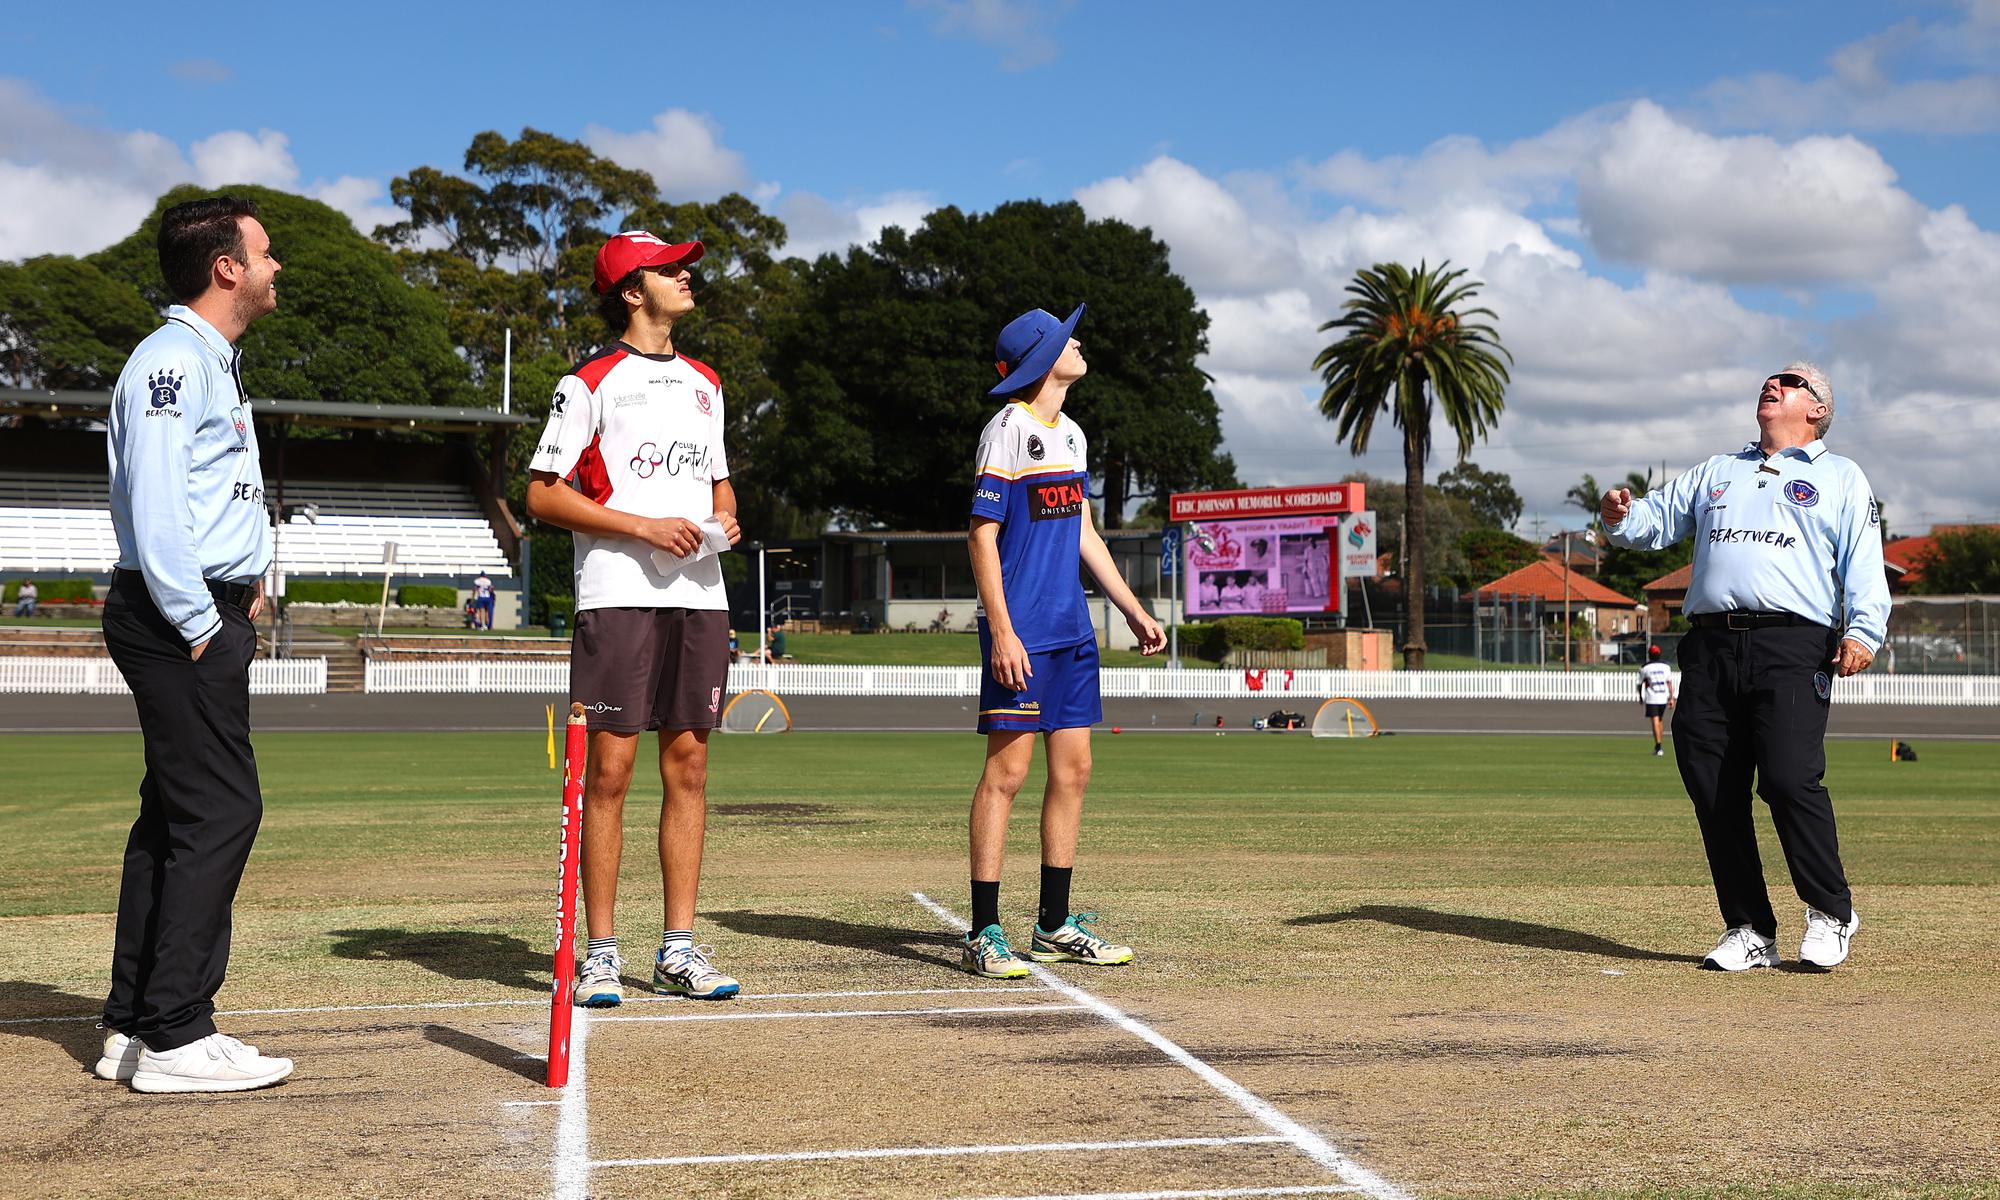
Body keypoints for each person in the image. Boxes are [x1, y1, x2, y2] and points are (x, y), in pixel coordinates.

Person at [98, 194, 293, 1092]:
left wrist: (242, 584)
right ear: (227, 268)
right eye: (264, 253)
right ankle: (178, 1034)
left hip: (199, 608)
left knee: (176, 816)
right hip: (179, 618)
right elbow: (158, 503)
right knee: (222, 812)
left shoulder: (208, 359)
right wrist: (201, 624)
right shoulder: (174, 361)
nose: (274, 266)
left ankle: (138, 1025)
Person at [1601, 361, 1886, 973]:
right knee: (1713, 788)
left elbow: (1863, 561)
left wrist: (1863, 629)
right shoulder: (1717, 471)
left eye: (1790, 382)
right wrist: (1622, 516)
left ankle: (1831, 911)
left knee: (1787, 778)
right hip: (1709, 646)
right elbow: (1654, 524)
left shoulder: (1839, 476)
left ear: (1816, 410)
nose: (1773, 384)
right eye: (1770, 379)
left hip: (1792, 645)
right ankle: (1750, 928)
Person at [525, 230, 743, 1007]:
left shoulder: (707, 383)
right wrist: (643, 526)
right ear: (630, 290)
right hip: (617, 593)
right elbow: (543, 494)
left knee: (689, 768)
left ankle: (677, 950)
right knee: (609, 774)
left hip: (700, 596)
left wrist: (725, 517)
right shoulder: (588, 382)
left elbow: (720, 487)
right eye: (669, 270)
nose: (687, 277)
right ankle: (602, 954)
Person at [962, 304, 1167, 980]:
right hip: (1021, 636)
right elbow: (982, 535)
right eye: (1067, 337)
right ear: (1044, 359)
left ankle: (1053, 924)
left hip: (1072, 634)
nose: (1080, 341)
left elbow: (1083, 533)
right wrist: (1001, 631)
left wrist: (1133, 611)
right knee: (1008, 776)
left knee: (1073, 772)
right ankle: (984, 930)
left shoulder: (1073, 435)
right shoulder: (1007, 432)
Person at [1637, 644, 1675, 756]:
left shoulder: (1645, 667)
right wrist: (1671, 698)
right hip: (1663, 697)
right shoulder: (1666, 667)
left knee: (1655, 720)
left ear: (1649, 655)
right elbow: (1669, 683)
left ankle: (1658, 746)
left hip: (1652, 697)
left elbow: (1640, 684)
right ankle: (1659, 744)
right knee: (1660, 721)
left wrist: (1640, 696)